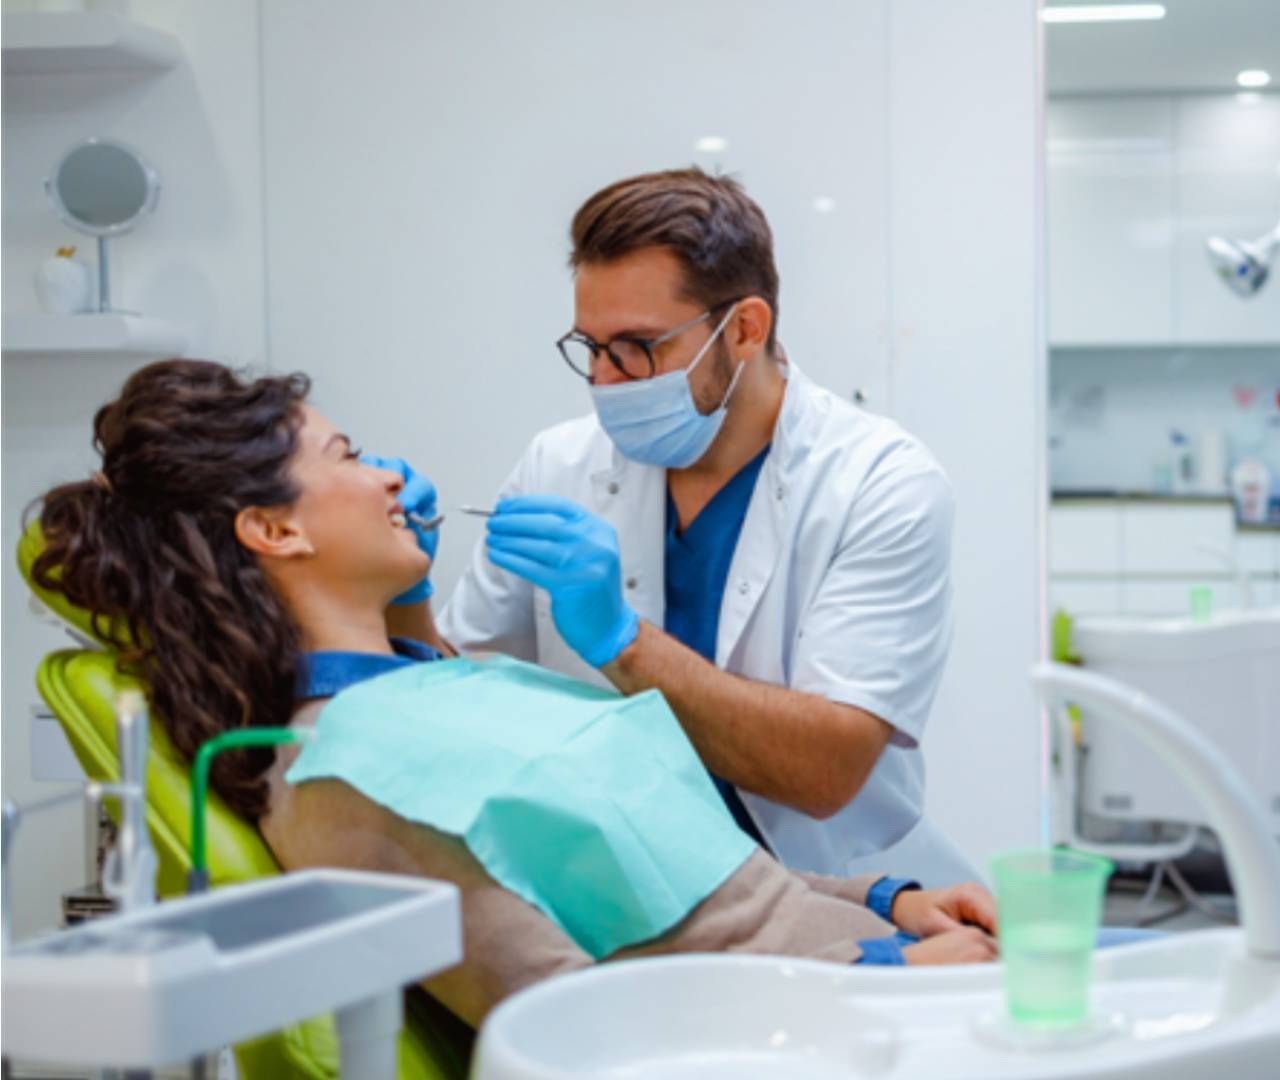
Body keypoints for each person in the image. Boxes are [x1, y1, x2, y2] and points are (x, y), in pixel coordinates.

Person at [29, 359, 997, 1027]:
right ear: (275, 533)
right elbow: (575, 1027)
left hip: (870, 954)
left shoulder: (440, 687)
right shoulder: (357, 775)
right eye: (348, 455)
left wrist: (888, 900)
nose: (386, 478)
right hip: (834, 1020)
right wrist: (877, 981)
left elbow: (687, 880)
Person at [384, 169, 973, 885]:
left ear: (745, 329)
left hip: (838, 891)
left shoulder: (881, 483)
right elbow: (461, 703)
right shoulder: (558, 465)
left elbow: (827, 771)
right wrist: (402, 594)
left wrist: (622, 643)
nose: (605, 381)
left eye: (637, 347)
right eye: (591, 348)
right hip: (628, 893)